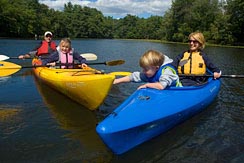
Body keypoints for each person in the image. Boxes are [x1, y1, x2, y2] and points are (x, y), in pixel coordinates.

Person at [113, 49, 181, 90]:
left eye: (145, 69)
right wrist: (117, 81)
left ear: (156, 68)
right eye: (143, 69)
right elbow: (133, 77)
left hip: (178, 93)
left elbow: (161, 86)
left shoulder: (167, 72)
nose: (143, 71)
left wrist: (146, 85)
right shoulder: (150, 72)